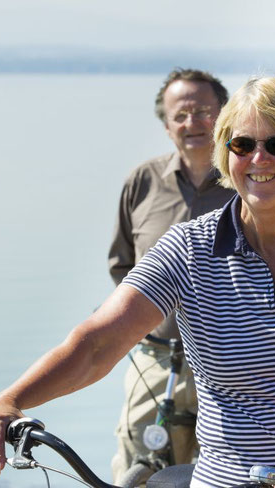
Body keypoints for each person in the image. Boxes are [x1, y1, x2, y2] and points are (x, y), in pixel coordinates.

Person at [0, 76, 275, 488]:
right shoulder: (188, 246)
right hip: (228, 477)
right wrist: (10, 400)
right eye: (243, 144)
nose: (260, 159)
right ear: (225, 153)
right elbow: (97, 343)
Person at [107, 68, 235, 481]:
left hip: (231, 361)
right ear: (166, 125)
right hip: (156, 357)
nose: (192, 123)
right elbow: (122, 264)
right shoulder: (142, 181)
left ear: (225, 115)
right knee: (135, 466)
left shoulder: (249, 182)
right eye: (180, 115)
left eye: (203, 112)